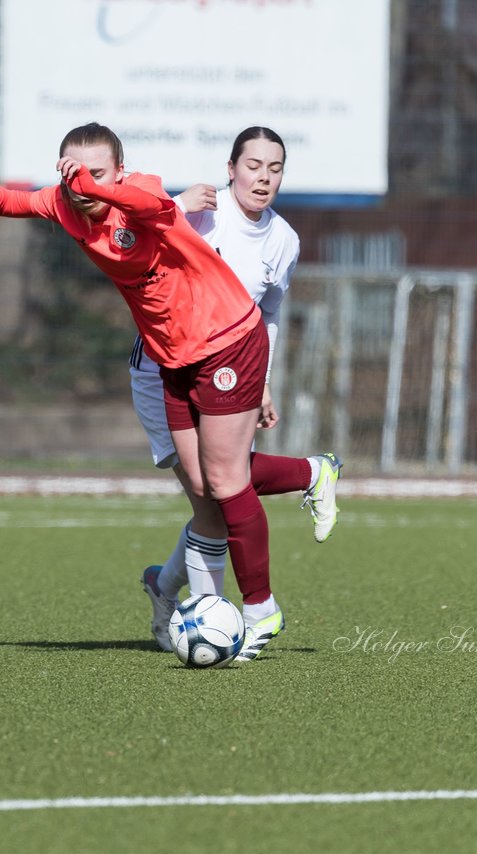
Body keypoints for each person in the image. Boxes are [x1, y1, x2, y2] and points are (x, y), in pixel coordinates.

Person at [0, 122, 288, 663]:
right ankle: (304, 481)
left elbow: (133, 199)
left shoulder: (142, 194)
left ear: (119, 172)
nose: (80, 181)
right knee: (204, 487)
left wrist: (95, 186)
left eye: (97, 171)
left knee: (227, 479)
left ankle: (260, 608)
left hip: (227, 335)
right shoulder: (65, 202)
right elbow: (10, 202)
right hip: (173, 356)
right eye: (70, 170)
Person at [133, 127, 341, 655]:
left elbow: (268, 313)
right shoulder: (203, 213)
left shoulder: (284, 240)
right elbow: (138, 243)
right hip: (163, 368)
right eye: (253, 165)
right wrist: (173, 207)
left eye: (274, 168)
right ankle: (311, 473)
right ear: (231, 169)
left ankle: (208, 622)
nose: (263, 177)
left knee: (218, 492)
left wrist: (263, 379)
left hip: (231, 367)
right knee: (214, 492)